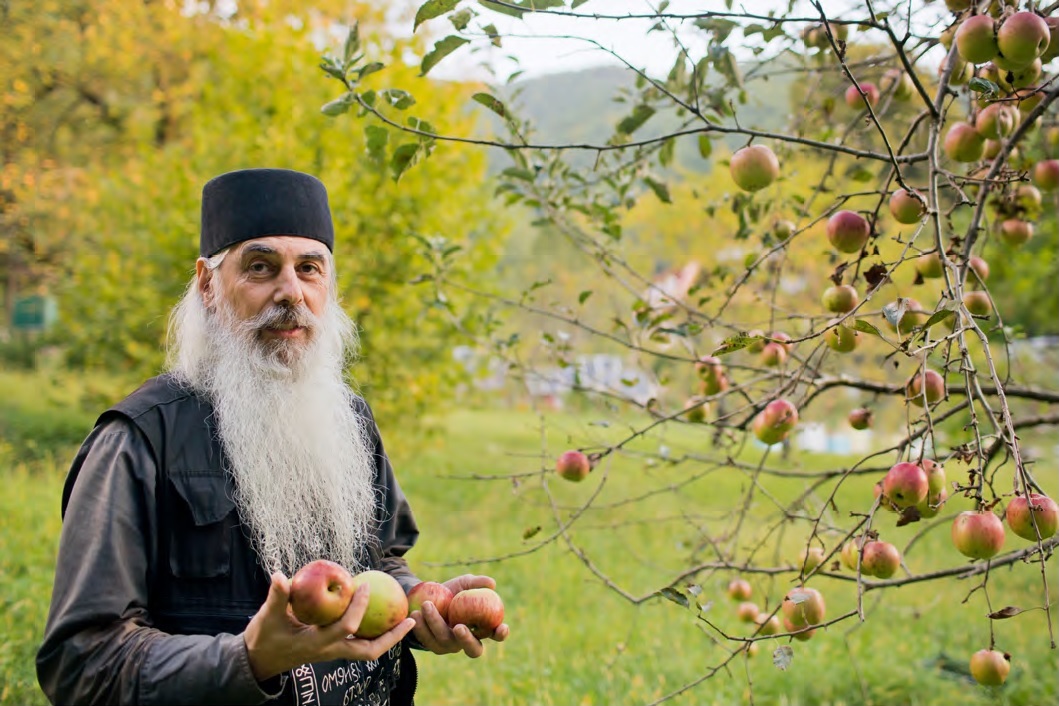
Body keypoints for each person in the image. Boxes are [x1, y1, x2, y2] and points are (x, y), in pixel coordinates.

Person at [36, 167, 510, 705]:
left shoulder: (350, 420)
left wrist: (418, 605)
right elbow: (82, 661)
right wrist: (249, 659)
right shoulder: (139, 441)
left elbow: (381, 562)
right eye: (260, 267)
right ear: (208, 285)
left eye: (309, 269)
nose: (291, 292)